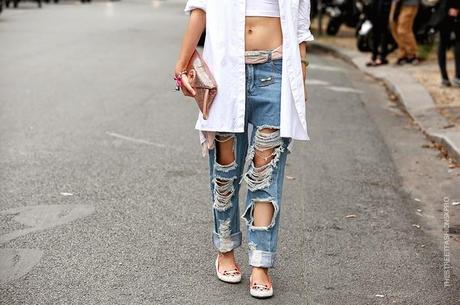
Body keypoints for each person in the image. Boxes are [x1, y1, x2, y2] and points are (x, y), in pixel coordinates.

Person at [174, 0, 313, 299]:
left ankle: (261, 263)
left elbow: (301, 28)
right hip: (226, 72)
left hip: (276, 72)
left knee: (266, 171)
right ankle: (225, 248)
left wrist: (302, 76)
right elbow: (200, 9)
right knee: (225, 170)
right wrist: (182, 62)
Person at [435, 0, 460, 86]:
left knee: (444, 43)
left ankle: (449, 78)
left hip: (445, 9)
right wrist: (454, 6)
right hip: (448, 9)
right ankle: (449, 77)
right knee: (446, 43)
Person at [389, 0, 421, 65]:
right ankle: (403, 53)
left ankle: (412, 54)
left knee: (403, 30)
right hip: (396, 4)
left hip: (409, 4)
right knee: (393, 27)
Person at [366, 0, 393, 66]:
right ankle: (374, 56)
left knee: (383, 33)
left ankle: (382, 57)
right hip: (375, 6)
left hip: (384, 7)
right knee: (375, 32)